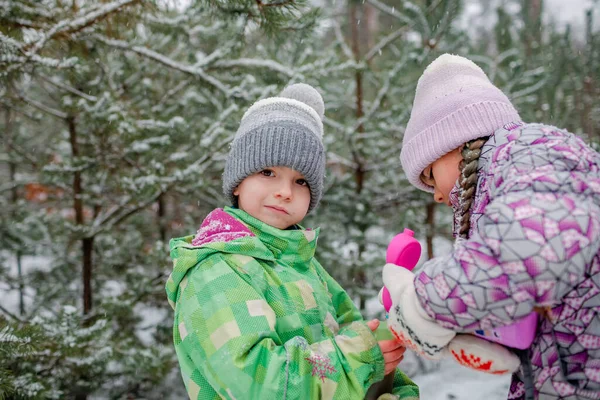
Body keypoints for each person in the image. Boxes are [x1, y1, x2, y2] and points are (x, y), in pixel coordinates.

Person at [165, 83, 419, 400]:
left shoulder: (304, 265)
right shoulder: (214, 271)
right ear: (237, 183)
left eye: (300, 181)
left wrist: (393, 386)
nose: (285, 191)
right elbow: (261, 386)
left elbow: (354, 335)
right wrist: (360, 357)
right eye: (268, 172)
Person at [382, 53, 600, 400]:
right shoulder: (517, 169)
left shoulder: (531, 151)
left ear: (453, 144)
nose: (436, 195)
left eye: (429, 176)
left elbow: (529, 248)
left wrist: (426, 300)